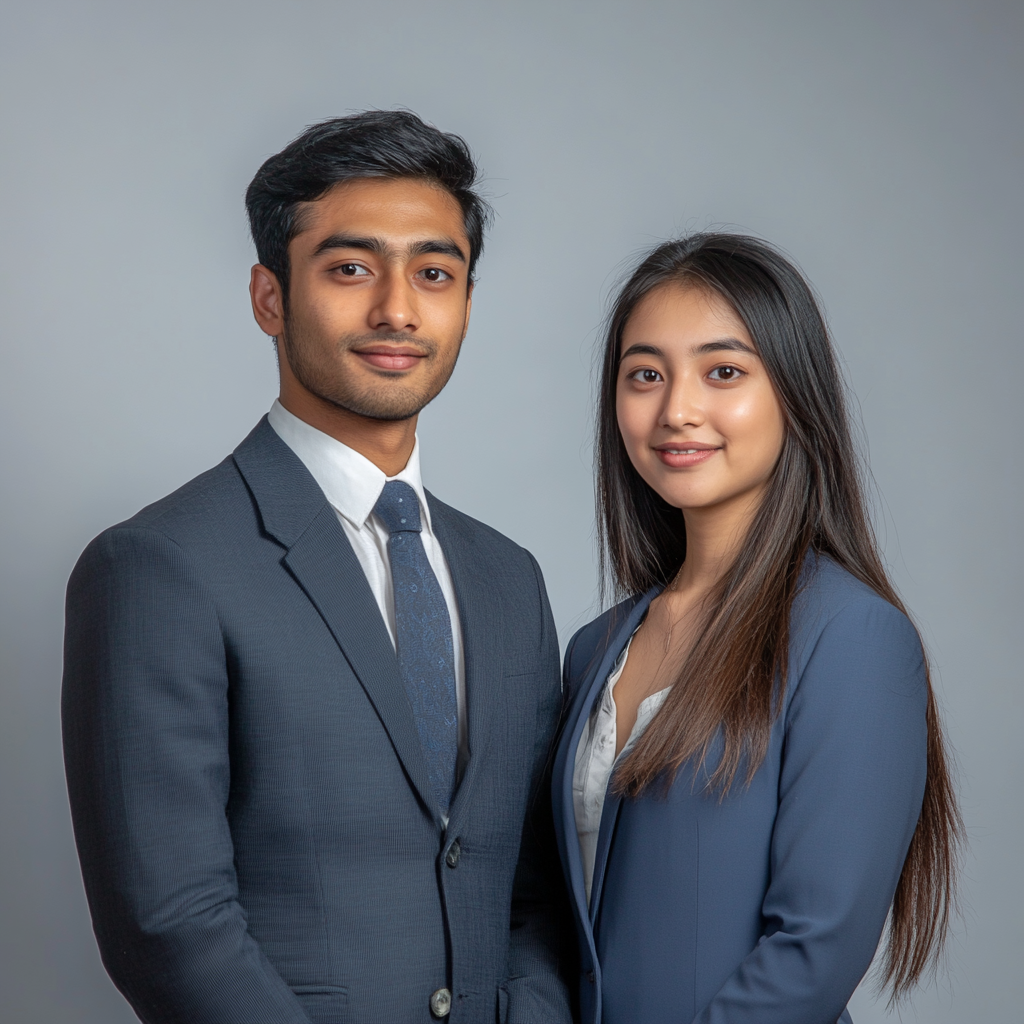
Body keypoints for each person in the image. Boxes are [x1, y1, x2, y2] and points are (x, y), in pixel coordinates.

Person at [62, 110, 572, 1024]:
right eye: (349, 268)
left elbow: (535, 889)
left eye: (434, 272)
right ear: (269, 297)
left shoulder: (509, 579)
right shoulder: (158, 567)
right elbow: (169, 923)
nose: (397, 309)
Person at [552, 233, 962, 1024]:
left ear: (794, 394)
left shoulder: (852, 638)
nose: (676, 409)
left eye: (723, 372)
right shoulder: (594, 649)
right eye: (645, 375)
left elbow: (815, 949)